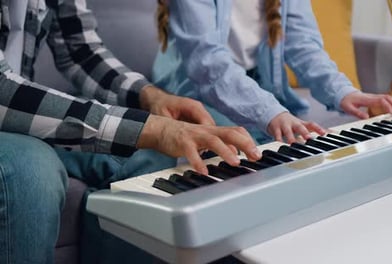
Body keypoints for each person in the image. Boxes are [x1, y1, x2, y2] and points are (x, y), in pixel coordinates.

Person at [0, 1, 261, 263]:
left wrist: (149, 97)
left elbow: (79, 50)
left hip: (20, 110)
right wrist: (153, 129)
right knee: (30, 171)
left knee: (149, 155)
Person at [153, 0, 392, 144]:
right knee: (243, 144)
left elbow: (301, 43)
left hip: (254, 80)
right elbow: (207, 64)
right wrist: (268, 112)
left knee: (295, 144)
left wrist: (342, 91)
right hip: (194, 87)